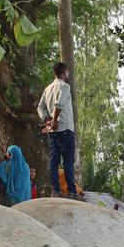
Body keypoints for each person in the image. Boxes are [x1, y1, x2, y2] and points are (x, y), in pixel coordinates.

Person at [39, 62, 78, 199]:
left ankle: (56, 190)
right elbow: (59, 104)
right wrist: (54, 120)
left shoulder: (47, 89)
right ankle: (72, 191)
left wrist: (47, 120)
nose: (68, 74)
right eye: (67, 72)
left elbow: (40, 107)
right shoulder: (65, 86)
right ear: (64, 72)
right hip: (65, 129)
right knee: (68, 161)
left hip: (52, 132)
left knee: (54, 161)